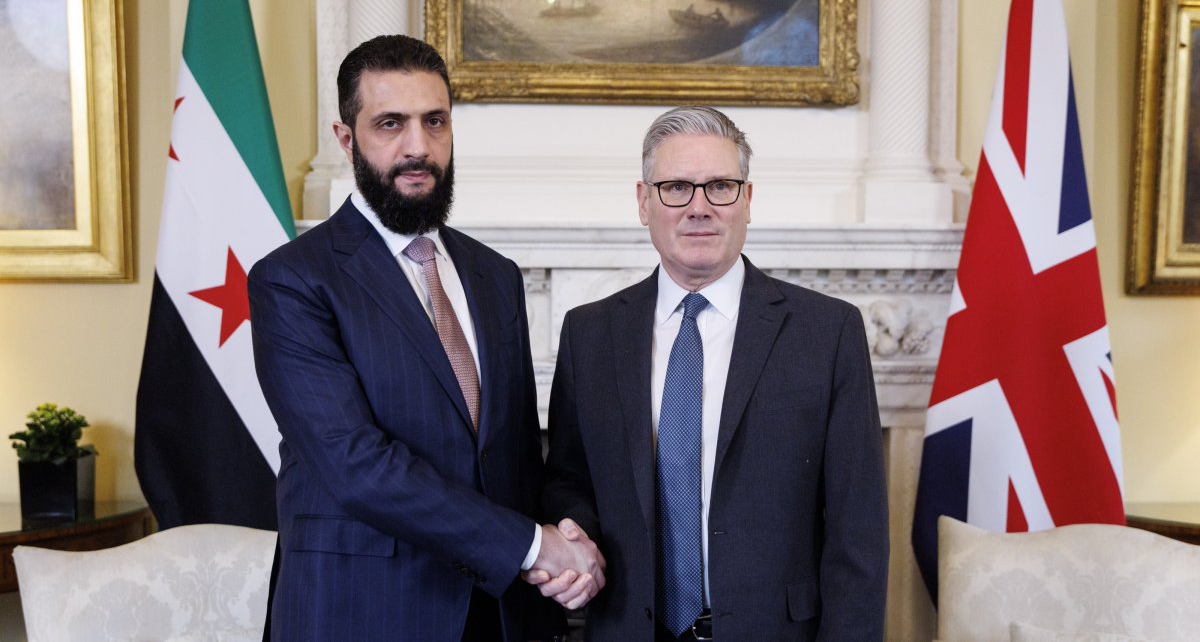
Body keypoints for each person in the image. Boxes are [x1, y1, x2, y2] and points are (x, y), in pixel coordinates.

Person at [248, 34, 604, 641]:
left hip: (500, 614)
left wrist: (570, 539)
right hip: (361, 613)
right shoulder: (292, 279)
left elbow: (515, 454)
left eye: (434, 121)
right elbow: (357, 466)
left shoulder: (495, 276)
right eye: (390, 124)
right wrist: (529, 546)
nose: (418, 147)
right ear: (346, 139)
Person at [537, 106, 889, 639]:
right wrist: (572, 534)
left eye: (720, 186)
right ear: (643, 201)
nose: (698, 207)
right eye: (676, 187)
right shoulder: (590, 333)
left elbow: (857, 532)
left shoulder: (827, 332)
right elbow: (569, 478)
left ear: (747, 200)